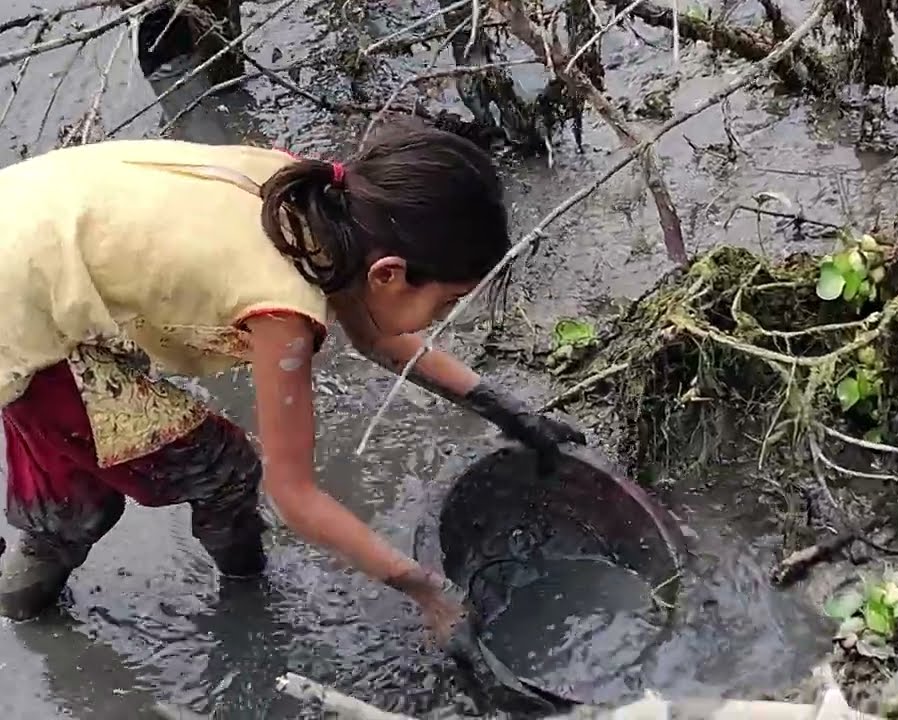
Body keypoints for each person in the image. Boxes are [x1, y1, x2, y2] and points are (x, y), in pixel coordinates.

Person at [0, 120, 583, 639]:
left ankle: (34, 582)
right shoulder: (283, 311)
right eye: (447, 302)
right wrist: (428, 592)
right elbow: (295, 495)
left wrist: (507, 411)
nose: (441, 318)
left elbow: (377, 338)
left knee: (80, 470)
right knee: (219, 469)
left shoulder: (317, 203)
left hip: (33, 238)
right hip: (18, 312)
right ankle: (245, 605)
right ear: (389, 273)